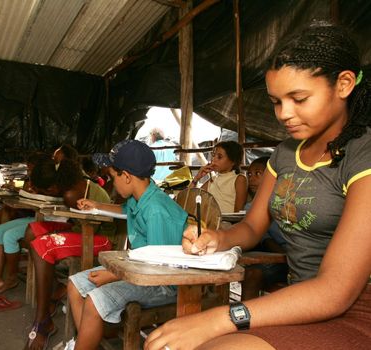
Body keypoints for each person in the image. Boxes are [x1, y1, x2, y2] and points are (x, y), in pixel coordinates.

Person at [144, 23, 371, 350]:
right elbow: (252, 226)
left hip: (356, 310)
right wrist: (218, 238)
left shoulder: (362, 154)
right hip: (302, 302)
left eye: (299, 98)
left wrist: (220, 318)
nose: (284, 114)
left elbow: (336, 289)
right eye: (277, 102)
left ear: (344, 84)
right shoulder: (284, 154)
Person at [65, 140, 189, 350]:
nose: (112, 182)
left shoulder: (156, 209)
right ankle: (88, 340)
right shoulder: (140, 196)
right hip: (140, 269)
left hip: (164, 283)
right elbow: (125, 210)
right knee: (75, 285)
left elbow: (158, 264)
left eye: (113, 177)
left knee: (96, 299)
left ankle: (84, 342)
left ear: (127, 177)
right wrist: (97, 205)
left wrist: (114, 274)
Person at [23, 158, 114, 350]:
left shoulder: (71, 194)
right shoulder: (72, 186)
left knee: (45, 245)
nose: (46, 194)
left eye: (46, 191)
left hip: (104, 240)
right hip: (83, 229)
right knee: (33, 230)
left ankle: (43, 321)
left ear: (55, 187)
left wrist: (59, 236)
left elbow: (92, 228)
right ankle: (51, 291)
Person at [0, 157, 60, 297]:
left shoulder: (60, 186)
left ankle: (11, 278)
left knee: (9, 236)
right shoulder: (45, 183)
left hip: (55, 223)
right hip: (39, 218)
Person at [242, 156, 288, 300]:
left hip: (299, 258)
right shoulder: (250, 207)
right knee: (252, 273)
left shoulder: (288, 202)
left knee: (253, 273)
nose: (252, 178)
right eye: (249, 174)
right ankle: (243, 319)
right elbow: (266, 240)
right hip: (279, 257)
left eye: (258, 174)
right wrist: (286, 257)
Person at [191, 141, 247, 213]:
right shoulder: (212, 180)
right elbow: (189, 197)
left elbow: (238, 212)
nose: (213, 159)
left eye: (219, 157)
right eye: (213, 155)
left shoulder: (239, 179)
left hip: (228, 222)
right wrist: (197, 178)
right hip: (209, 221)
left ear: (233, 162)